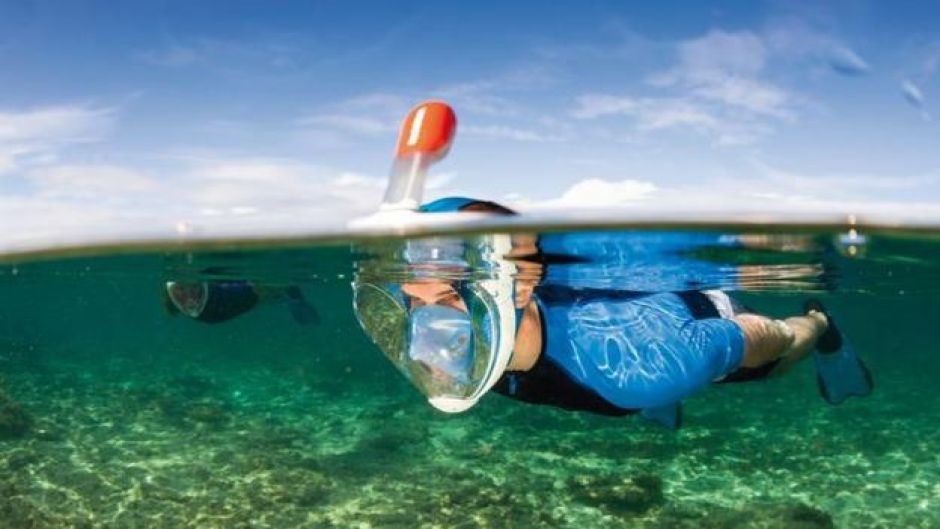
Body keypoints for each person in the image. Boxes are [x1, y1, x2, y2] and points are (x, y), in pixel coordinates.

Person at [353, 197, 873, 428]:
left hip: (691, 326)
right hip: (617, 363)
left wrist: (786, 332)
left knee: (770, 361)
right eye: (416, 304)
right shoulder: (479, 344)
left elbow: (761, 335)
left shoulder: (649, 366)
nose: (427, 336)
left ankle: (823, 324)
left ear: (521, 284)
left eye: (448, 301)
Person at [163, 274, 319, 325]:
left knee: (258, 290)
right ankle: (285, 293)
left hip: (219, 302)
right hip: (219, 303)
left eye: (193, 291)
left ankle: (285, 293)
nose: (190, 298)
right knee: (258, 289)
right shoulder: (227, 297)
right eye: (184, 293)